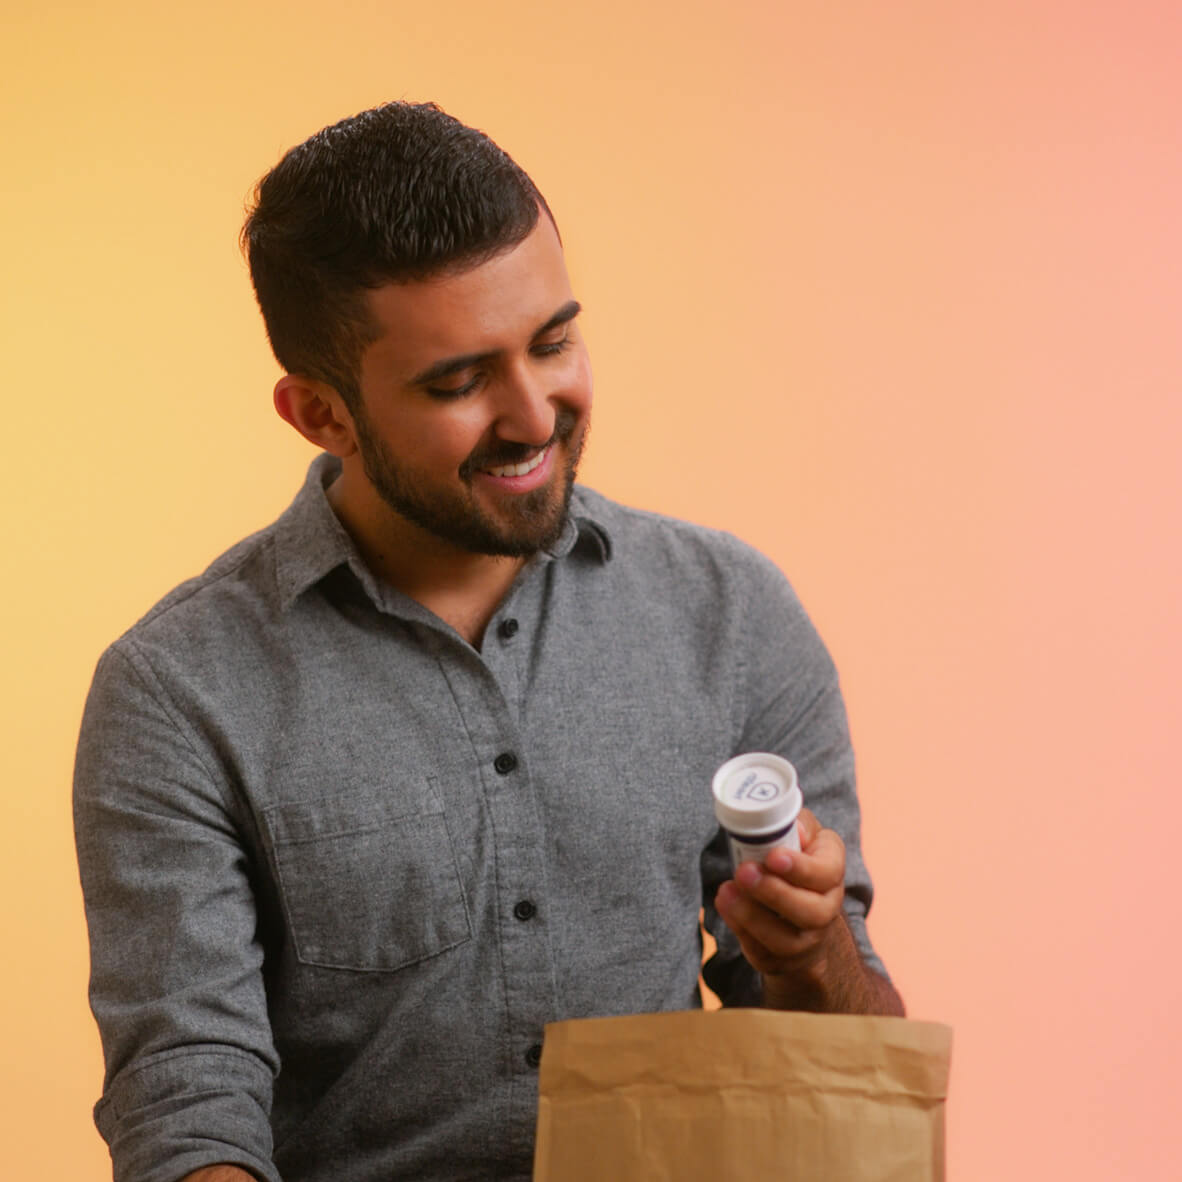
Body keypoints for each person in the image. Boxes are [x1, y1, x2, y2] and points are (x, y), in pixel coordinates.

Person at [73, 100, 903, 1182]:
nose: (534, 414)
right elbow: (188, 1100)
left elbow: (851, 1072)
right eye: (458, 382)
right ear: (320, 415)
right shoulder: (178, 693)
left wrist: (813, 951)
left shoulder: (727, 612)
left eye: (554, 342)